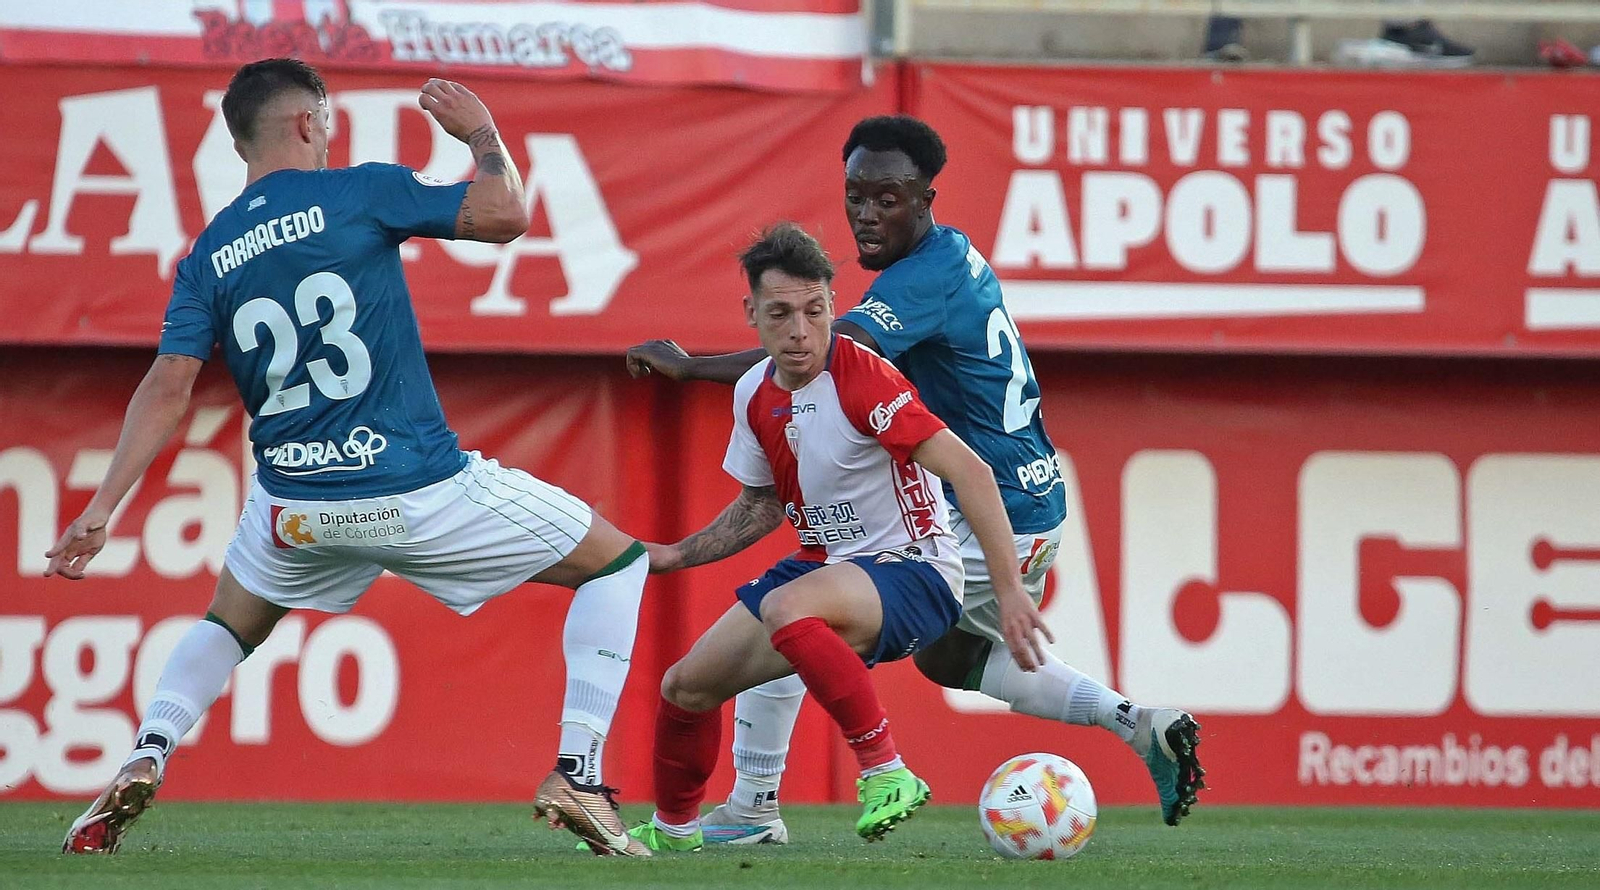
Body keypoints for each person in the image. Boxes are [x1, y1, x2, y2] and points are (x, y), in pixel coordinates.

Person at [48, 59, 651, 858]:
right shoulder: (359, 191)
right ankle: (579, 769)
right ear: (307, 122)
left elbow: (167, 386)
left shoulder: (210, 253)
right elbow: (506, 215)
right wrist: (479, 132)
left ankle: (149, 749)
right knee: (620, 564)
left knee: (229, 621)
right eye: (325, 121)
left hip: (295, 506)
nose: (328, 134)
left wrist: (100, 509)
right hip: (415, 489)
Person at [625, 115, 1204, 841]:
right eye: (856, 196)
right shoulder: (947, 259)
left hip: (989, 497)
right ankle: (1137, 722)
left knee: (799, 615)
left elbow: (826, 356)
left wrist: (691, 367)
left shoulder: (920, 278)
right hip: (1024, 491)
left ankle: (766, 802)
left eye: (889, 199)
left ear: (926, 200)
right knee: (953, 659)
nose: (868, 214)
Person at [622, 222, 1051, 853]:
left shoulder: (863, 376)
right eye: (781, 313)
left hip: (917, 571)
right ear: (752, 315)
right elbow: (762, 505)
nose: (800, 330)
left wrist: (1010, 590)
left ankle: (887, 771)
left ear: (831, 305)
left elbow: (971, 471)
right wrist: (675, 555)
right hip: (828, 569)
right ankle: (676, 832)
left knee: (786, 606)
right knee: (686, 685)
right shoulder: (752, 392)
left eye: (815, 310)